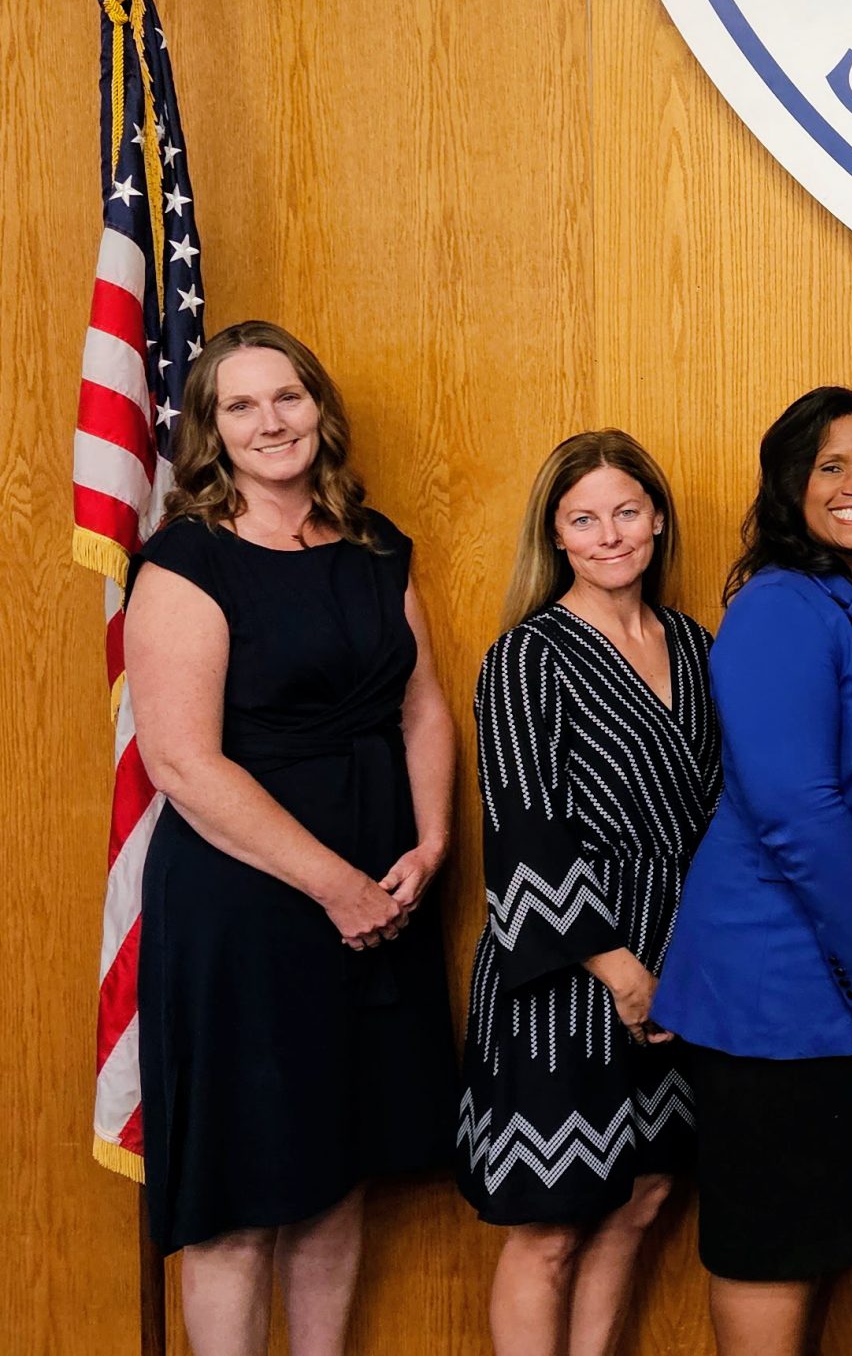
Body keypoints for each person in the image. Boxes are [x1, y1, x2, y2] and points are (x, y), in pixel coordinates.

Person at [122, 320, 457, 1356]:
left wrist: (431, 846)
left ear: (320, 408)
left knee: (334, 1170)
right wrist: (336, 886)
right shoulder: (187, 558)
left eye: (289, 398)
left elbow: (425, 709)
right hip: (247, 901)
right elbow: (183, 763)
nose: (271, 421)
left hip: (381, 890)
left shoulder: (372, 544)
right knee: (241, 1189)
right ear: (211, 432)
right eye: (242, 404)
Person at [650, 389, 852, 1356]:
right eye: (830, 467)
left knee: (829, 1233)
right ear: (791, 483)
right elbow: (795, 806)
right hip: (782, 989)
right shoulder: (778, 607)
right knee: (772, 1247)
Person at [457, 431, 722, 1356]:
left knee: (644, 1197)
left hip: (679, 959)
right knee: (554, 1222)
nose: (609, 534)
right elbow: (522, 833)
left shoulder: (695, 646)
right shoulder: (529, 655)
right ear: (557, 536)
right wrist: (621, 972)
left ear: (657, 521)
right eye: (583, 518)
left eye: (625, 512)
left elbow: (724, 814)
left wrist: (684, 969)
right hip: (568, 974)